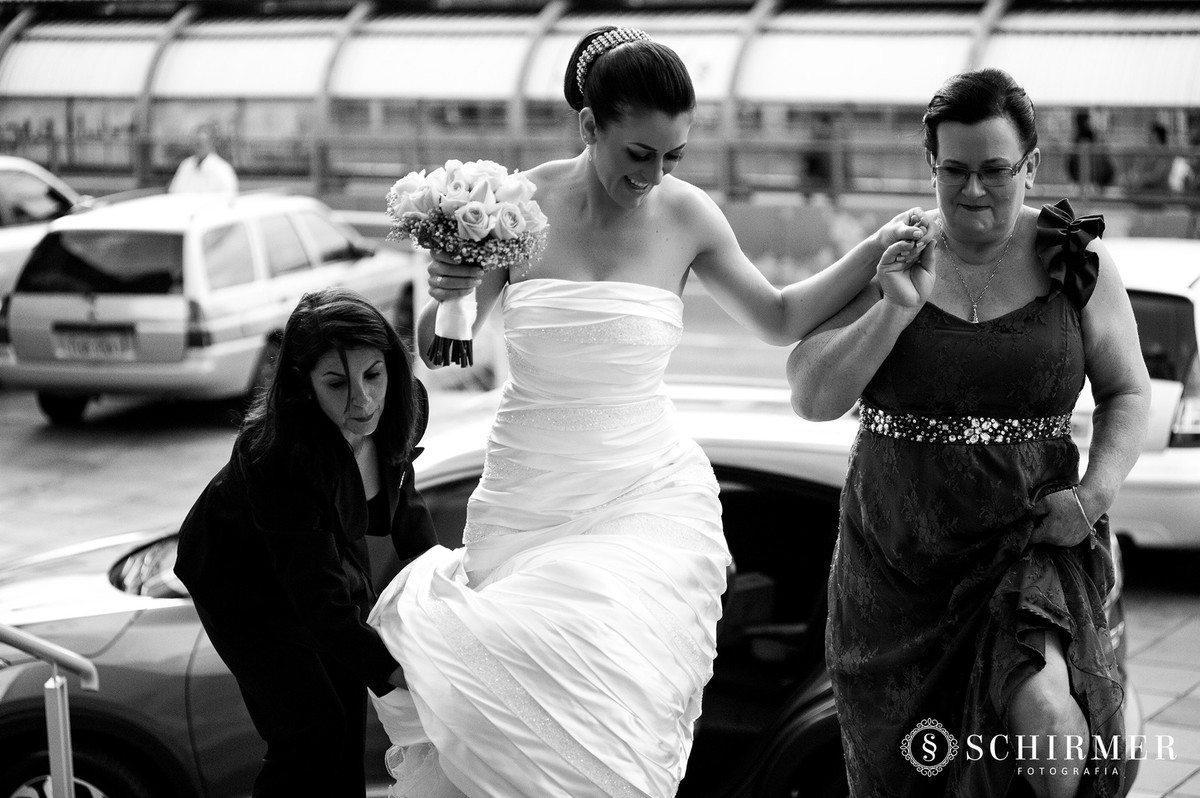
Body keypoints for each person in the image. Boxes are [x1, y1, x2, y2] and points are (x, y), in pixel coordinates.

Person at [366, 25, 932, 798]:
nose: (655, 176)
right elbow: (440, 354)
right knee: (510, 711)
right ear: (590, 125)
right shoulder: (508, 209)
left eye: (674, 157)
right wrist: (450, 292)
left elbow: (778, 317)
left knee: (603, 692)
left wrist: (874, 248)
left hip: (643, 493)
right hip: (527, 493)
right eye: (639, 155)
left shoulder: (689, 215)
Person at [786, 68, 1151, 798]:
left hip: (1026, 543)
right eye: (954, 171)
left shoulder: (1074, 258)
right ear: (931, 166)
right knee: (909, 773)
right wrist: (893, 308)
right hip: (896, 569)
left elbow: (1127, 390)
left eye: (995, 170)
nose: (974, 192)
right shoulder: (896, 250)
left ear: (1033, 166)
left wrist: (1091, 496)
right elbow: (812, 394)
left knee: (1050, 721)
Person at [174, 288, 437, 797]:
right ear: (303, 384)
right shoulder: (279, 458)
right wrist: (400, 671)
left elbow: (407, 508)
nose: (362, 401)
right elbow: (319, 605)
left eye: (373, 375)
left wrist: (448, 592)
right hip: (243, 588)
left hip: (321, 557)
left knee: (348, 713)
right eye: (337, 383)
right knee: (313, 730)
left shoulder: (403, 406)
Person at [169, 124, 239, 194]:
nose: (196, 147)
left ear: (212, 143)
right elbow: (173, 192)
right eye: (195, 143)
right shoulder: (186, 165)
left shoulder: (223, 170)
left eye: (200, 144)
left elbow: (228, 199)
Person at [1066, 110, 1114, 191]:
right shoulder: (1079, 136)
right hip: (1083, 173)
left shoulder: (1091, 135)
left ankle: (1096, 186)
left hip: (1093, 174)